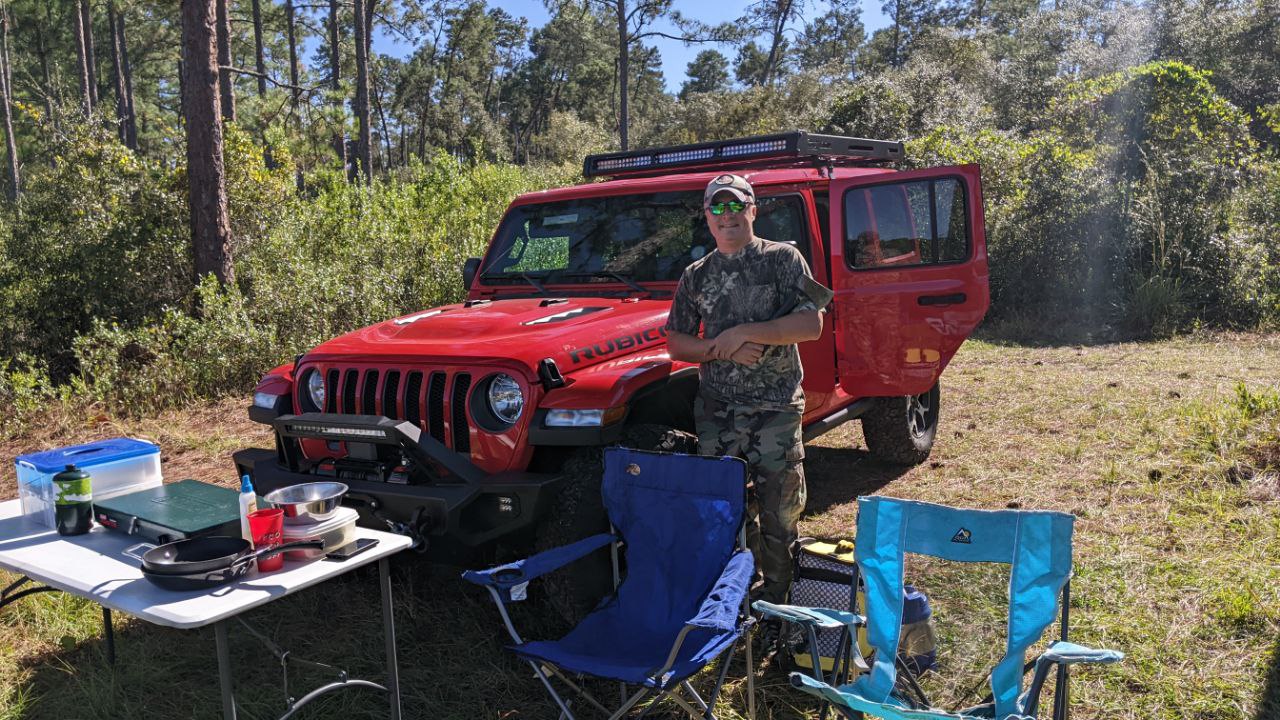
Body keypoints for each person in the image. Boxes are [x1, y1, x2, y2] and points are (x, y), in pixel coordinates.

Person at [665, 173, 834, 605]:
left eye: (735, 206)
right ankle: (733, 600)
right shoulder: (695, 275)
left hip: (775, 409)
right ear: (707, 217)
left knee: (780, 511)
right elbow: (676, 343)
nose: (727, 216)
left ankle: (780, 602)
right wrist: (721, 351)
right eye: (717, 209)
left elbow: (810, 324)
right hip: (718, 412)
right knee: (724, 511)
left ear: (752, 210)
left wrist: (747, 331)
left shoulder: (783, 260)